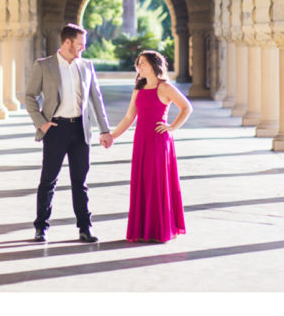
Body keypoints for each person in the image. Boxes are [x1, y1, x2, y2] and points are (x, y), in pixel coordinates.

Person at [25, 23, 113, 243]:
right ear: (67, 42)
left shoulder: (86, 66)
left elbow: (96, 99)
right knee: (48, 181)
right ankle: (41, 228)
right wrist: (42, 124)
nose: (83, 48)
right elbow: (29, 96)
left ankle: (85, 228)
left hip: (80, 130)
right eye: (80, 45)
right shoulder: (44, 66)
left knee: (80, 182)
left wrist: (104, 130)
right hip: (56, 129)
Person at [110, 49, 192, 243]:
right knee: (143, 183)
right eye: (138, 63)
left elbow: (186, 107)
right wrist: (112, 136)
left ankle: (159, 229)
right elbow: (130, 117)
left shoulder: (165, 87)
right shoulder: (138, 88)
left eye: (143, 63)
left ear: (154, 65)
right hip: (141, 141)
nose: (139, 67)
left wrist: (172, 127)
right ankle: (143, 230)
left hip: (158, 141)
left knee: (157, 183)